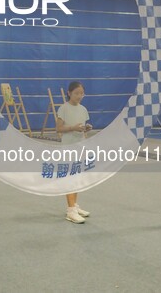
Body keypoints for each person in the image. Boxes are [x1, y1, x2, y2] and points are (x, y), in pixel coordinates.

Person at [55, 81, 93, 224]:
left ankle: (75, 206)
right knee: (70, 178)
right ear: (69, 93)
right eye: (76, 93)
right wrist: (72, 128)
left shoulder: (83, 109)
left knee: (77, 178)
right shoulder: (63, 108)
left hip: (80, 147)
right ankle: (70, 210)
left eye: (81, 93)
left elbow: (82, 128)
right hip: (68, 147)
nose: (79, 96)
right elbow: (58, 129)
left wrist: (85, 129)